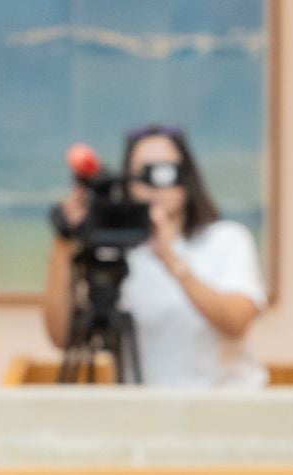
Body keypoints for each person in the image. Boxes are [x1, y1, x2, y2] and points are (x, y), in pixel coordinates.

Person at [42, 124, 267, 388]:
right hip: (148, 415)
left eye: (165, 172)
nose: (155, 186)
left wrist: (169, 258)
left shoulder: (226, 240)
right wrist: (64, 243)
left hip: (222, 411)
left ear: (186, 178)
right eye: (142, 175)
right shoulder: (118, 252)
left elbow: (236, 321)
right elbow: (62, 337)